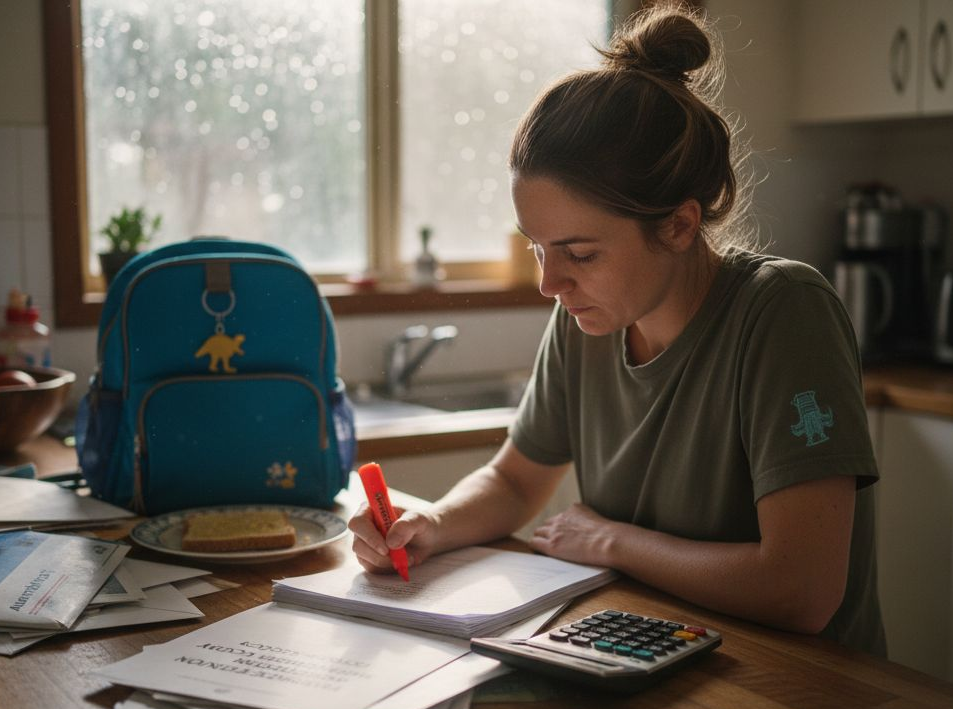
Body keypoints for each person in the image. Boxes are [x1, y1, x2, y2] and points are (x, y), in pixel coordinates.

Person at [349, 4, 885, 655]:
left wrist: (611, 542)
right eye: (538, 249)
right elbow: (516, 481)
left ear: (681, 226)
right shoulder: (586, 320)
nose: (551, 284)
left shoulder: (784, 313)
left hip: (803, 699)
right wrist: (430, 523)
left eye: (580, 252)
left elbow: (802, 589)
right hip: (646, 656)